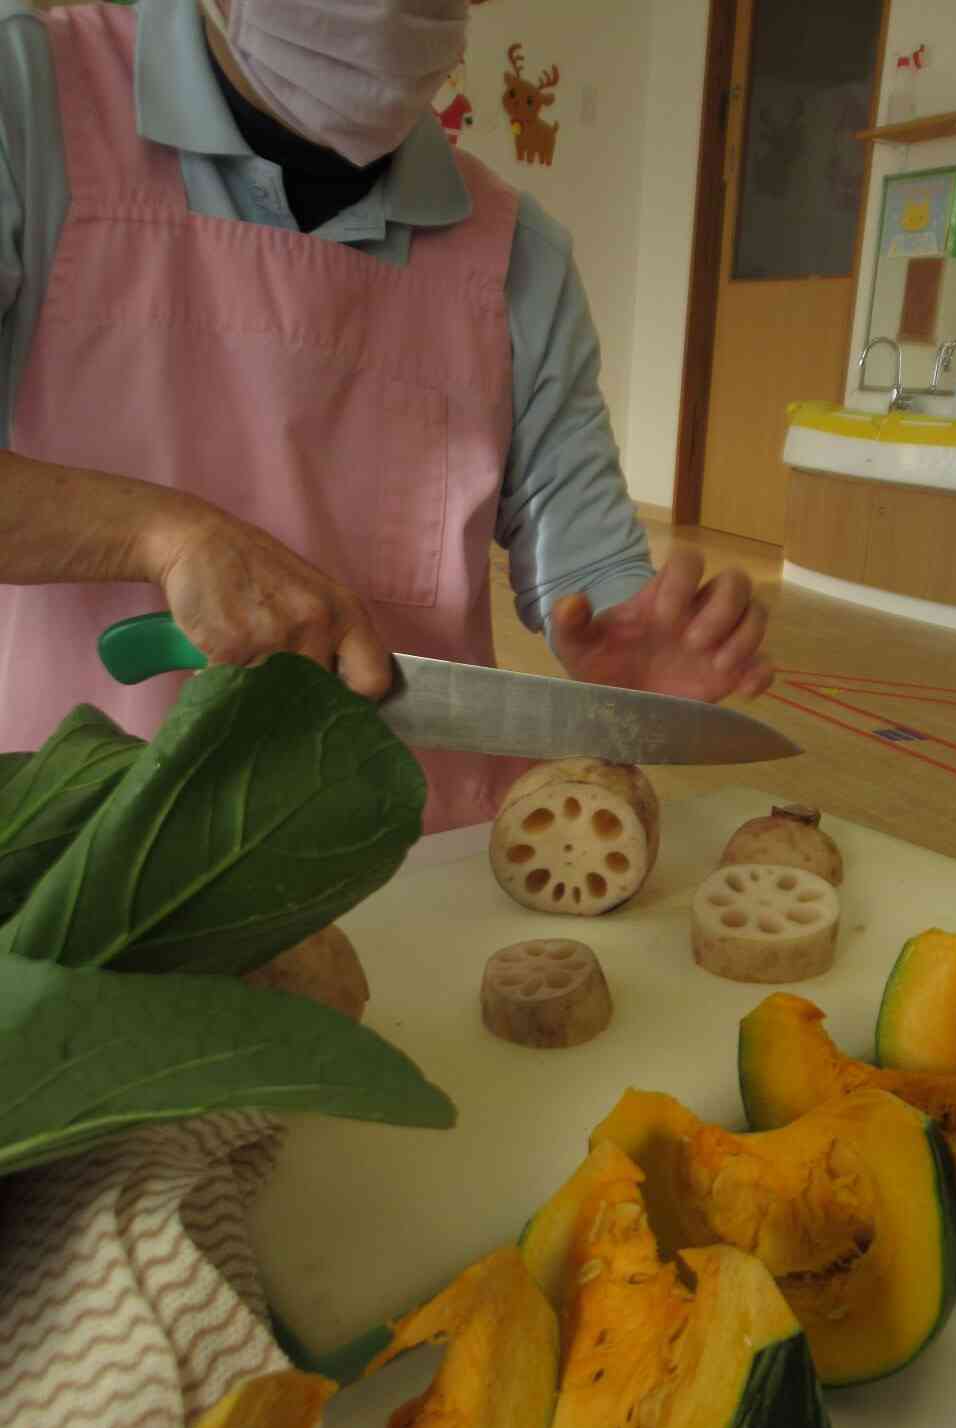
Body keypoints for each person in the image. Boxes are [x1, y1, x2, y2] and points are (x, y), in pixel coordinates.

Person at [0, 0, 773, 831]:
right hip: (79, 845)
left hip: (412, 859)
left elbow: (587, 564)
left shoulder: (516, 256)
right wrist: (163, 537)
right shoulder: (27, 101)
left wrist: (630, 633)